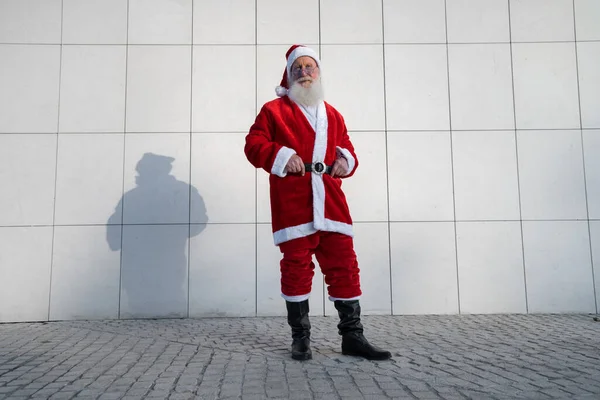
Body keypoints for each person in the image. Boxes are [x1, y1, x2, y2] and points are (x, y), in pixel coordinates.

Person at [244, 44, 391, 361]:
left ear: (319, 72)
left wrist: (346, 161)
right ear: (289, 74)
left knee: (345, 266)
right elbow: (253, 145)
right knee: (296, 267)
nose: (304, 72)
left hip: (331, 202)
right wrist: (283, 155)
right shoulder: (274, 111)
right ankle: (301, 339)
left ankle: (353, 337)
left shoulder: (333, 114)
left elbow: (347, 148)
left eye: (310, 67)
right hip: (293, 201)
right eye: (298, 68)